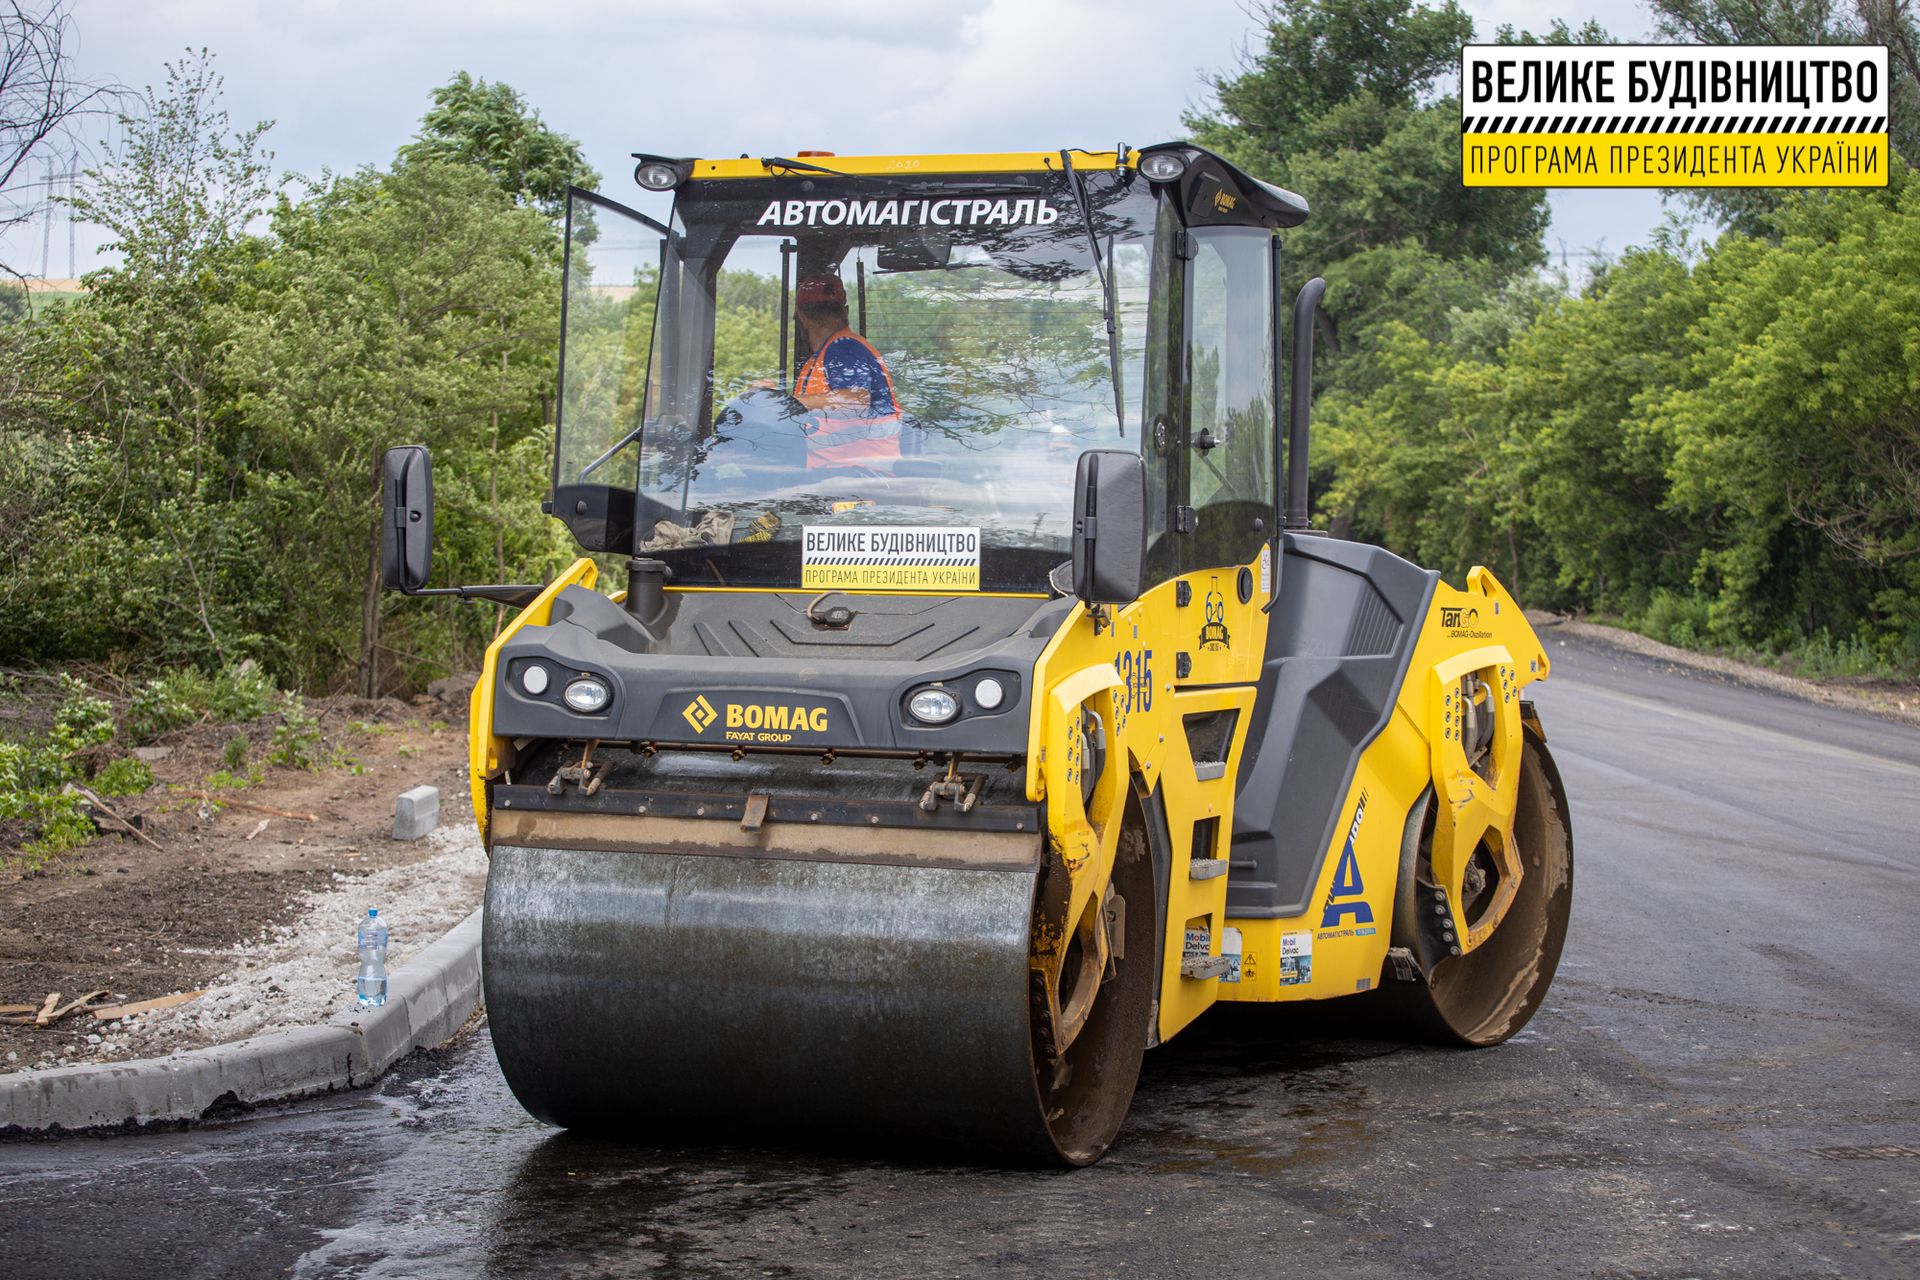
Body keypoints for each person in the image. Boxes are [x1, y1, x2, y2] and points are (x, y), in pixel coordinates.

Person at [791, 272, 901, 469]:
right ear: (846, 311)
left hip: (858, 479)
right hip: (842, 477)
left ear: (801, 316)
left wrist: (785, 404)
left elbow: (856, 400)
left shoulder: (844, 347)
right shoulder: (825, 357)